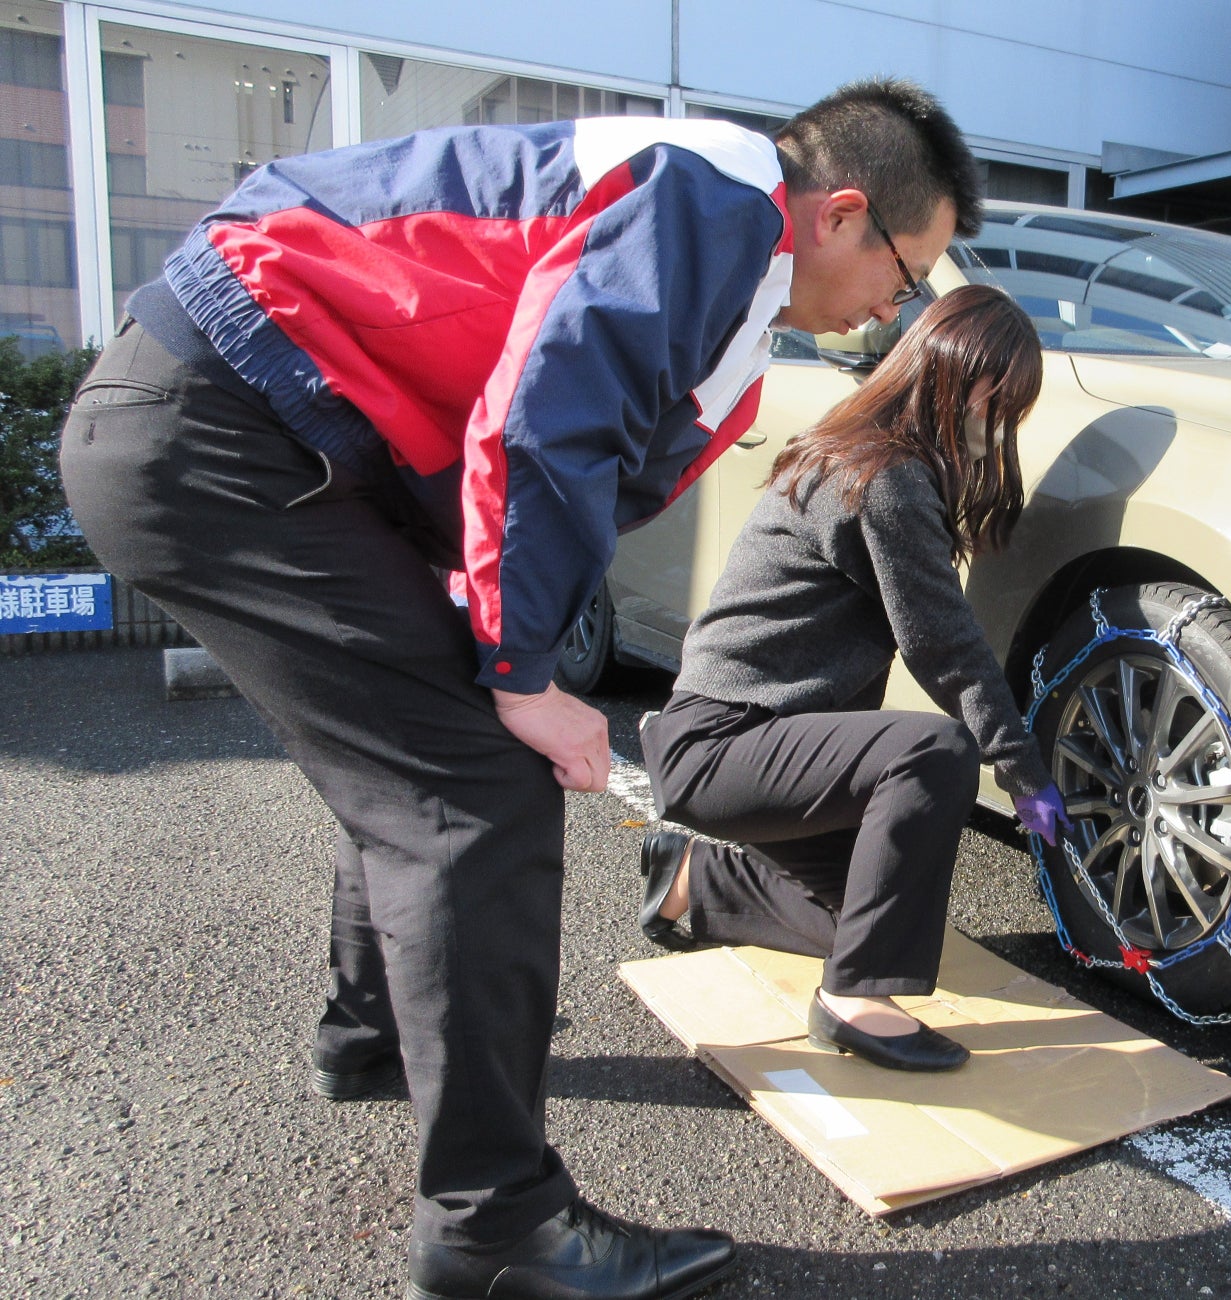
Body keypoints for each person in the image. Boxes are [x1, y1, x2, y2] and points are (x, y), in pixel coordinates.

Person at [59, 78, 981, 1300]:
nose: (893, 308)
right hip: (229, 422)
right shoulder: (714, 200)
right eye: (904, 274)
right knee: (478, 784)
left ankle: (372, 1035)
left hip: (232, 423)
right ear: (843, 214)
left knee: (421, 753)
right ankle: (494, 1226)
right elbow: (550, 418)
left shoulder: (727, 254)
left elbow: (542, 426)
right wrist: (523, 669)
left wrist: (486, 632)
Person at [636, 284, 1071, 1074]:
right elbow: (944, 648)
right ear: (950, 373)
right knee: (935, 752)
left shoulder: (870, 453)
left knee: (873, 919)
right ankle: (854, 1003)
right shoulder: (884, 475)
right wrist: (1025, 773)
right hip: (724, 741)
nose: (1002, 422)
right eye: (998, 397)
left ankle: (690, 880)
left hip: (760, 743)